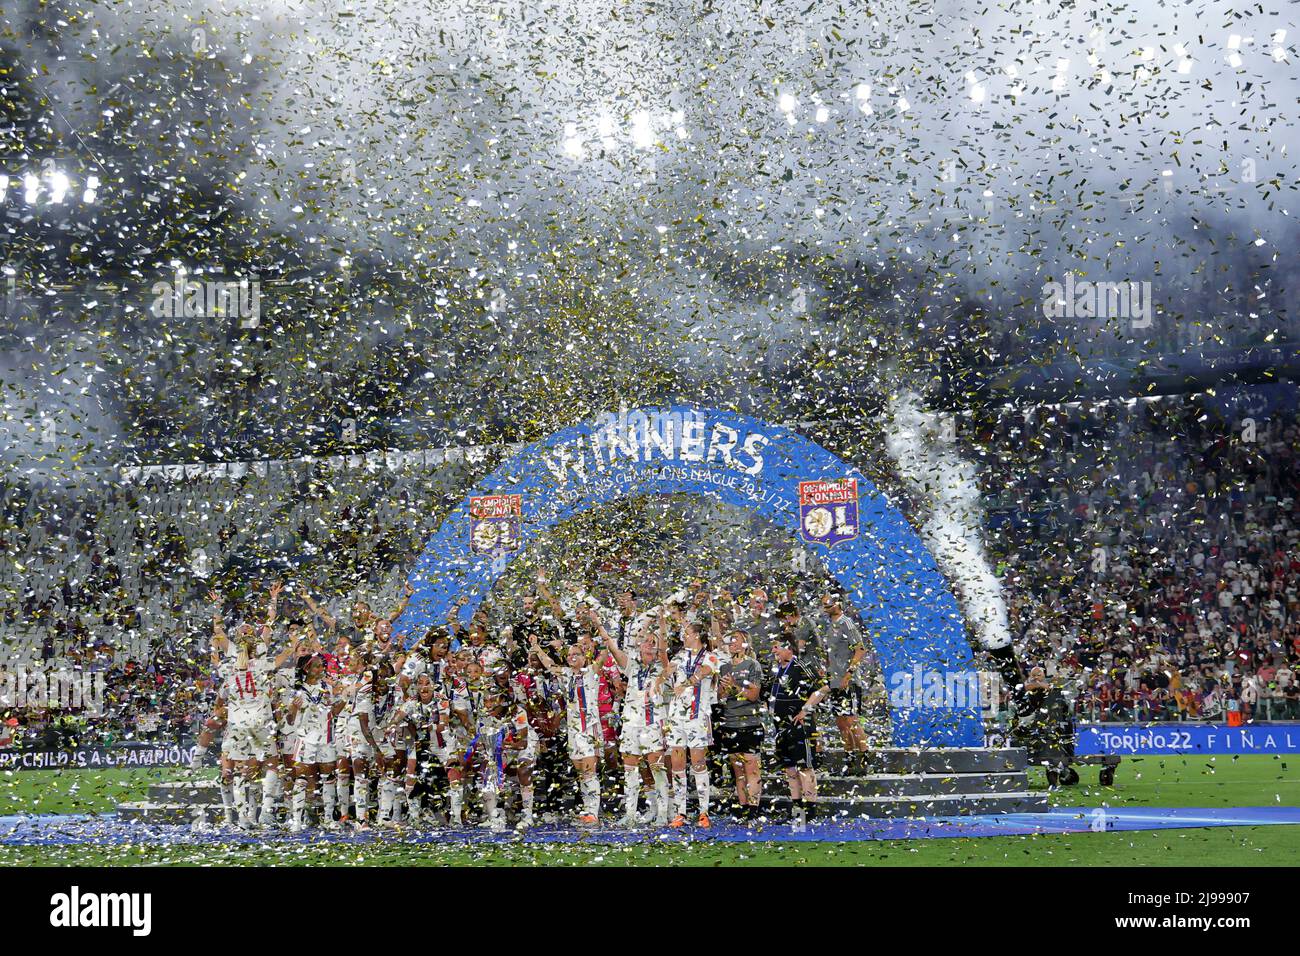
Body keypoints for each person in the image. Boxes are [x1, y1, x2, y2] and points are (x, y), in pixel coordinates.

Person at [529, 622, 605, 826]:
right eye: (570, 655)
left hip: (589, 726)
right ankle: (589, 810)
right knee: (581, 770)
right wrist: (537, 648)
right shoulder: (566, 674)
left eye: (576, 654)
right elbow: (548, 664)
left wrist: (599, 631)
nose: (572, 657)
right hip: (573, 728)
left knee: (590, 770)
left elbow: (606, 652)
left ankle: (593, 812)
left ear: (585, 657)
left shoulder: (592, 672)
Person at [599, 623, 671, 827]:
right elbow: (613, 647)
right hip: (631, 724)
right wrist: (598, 625)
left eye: (653, 642)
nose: (649, 644)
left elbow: (665, 654)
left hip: (653, 724)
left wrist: (661, 619)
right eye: (647, 641)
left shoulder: (663, 668)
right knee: (630, 770)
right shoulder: (632, 665)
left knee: (657, 769)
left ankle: (663, 814)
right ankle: (631, 813)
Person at [768, 634, 830, 826]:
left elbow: (823, 688)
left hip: (800, 725)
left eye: (777, 647)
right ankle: (797, 812)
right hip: (782, 726)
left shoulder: (800, 666)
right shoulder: (778, 669)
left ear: (788, 648)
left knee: (804, 767)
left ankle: (810, 813)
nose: (774, 650)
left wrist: (805, 709)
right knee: (790, 768)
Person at [664, 618, 719, 828]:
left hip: (698, 716)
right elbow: (668, 670)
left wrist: (684, 683)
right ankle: (680, 812)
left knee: (698, 763)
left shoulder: (711, 656)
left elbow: (702, 674)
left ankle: (704, 812)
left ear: (696, 635)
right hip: (677, 716)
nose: (683, 637)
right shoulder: (680, 654)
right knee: (677, 765)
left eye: (686, 633)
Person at [715, 628, 765, 821]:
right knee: (737, 770)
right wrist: (723, 688)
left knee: (751, 768)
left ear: (745, 643)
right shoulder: (724, 668)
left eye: (735, 639)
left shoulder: (753, 665)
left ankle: (754, 810)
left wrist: (735, 685)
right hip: (730, 722)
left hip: (750, 723)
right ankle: (744, 808)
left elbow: (753, 696)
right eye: (730, 640)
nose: (731, 643)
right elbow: (720, 697)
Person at [819, 593, 871, 770]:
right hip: (834, 680)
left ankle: (863, 760)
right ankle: (849, 761)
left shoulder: (846, 623)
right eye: (824, 604)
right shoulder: (830, 626)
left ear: (838, 603)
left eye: (829, 603)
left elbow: (860, 649)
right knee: (841, 723)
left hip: (847, 681)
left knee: (851, 720)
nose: (826, 606)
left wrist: (848, 674)